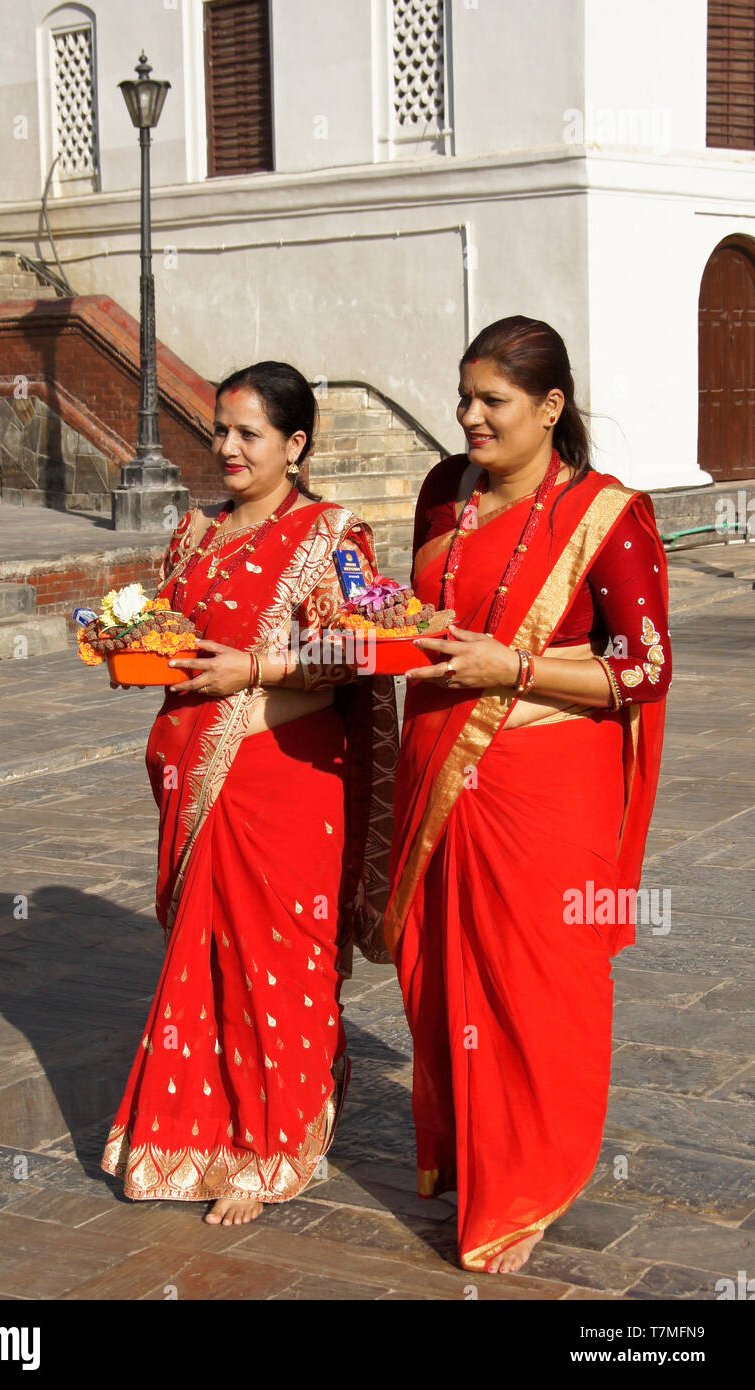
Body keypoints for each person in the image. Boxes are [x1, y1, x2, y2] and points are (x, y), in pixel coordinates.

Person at [386, 317, 671, 1274]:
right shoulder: (443, 490)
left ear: (550, 409)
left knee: (535, 983)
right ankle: (472, 1154)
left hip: (547, 787)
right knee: (443, 975)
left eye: (491, 402)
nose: (468, 417)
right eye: (463, 397)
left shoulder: (608, 514)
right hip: (439, 765)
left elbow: (644, 667)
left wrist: (510, 665)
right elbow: (420, 613)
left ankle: (533, 1179)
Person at [101, 362, 395, 1226]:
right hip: (199, 774)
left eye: (249, 434)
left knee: (278, 965)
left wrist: (254, 670)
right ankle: (200, 1133)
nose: (227, 448)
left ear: (295, 445)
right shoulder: (195, 533)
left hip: (288, 780)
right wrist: (126, 641)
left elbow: (357, 657)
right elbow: (176, 633)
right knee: (207, 958)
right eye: (220, 431)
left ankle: (272, 1144)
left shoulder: (332, 536)